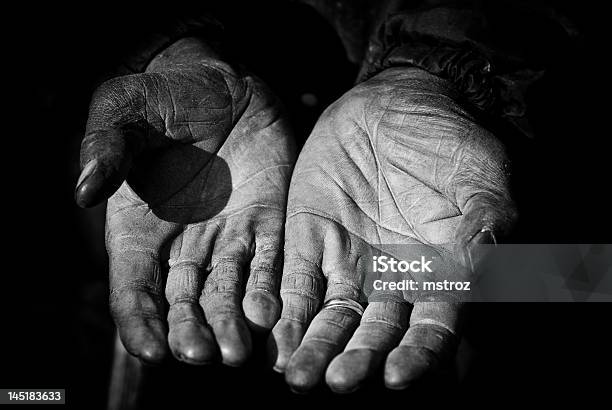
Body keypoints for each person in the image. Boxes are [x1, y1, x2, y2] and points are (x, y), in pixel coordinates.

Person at [74, 0, 574, 394]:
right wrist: (172, 42)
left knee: (544, 303)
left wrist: (441, 73)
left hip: (498, 186)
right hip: (192, 191)